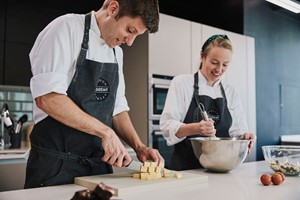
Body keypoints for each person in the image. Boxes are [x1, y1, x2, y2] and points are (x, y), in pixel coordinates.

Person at [25, 0, 164, 189]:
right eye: (130, 31)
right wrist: (105, 131)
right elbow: (48, 98)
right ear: (113, 9)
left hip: (98, 168)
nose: (130, 43)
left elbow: (117, 108)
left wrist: (139, 147)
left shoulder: (116, 53)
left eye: (136, 36)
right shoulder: (66, 28)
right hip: (55, 167)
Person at [160, 34, 256, 171]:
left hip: (221, 169)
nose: (219, 69)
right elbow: (166, 126)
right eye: (214, 62)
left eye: (225, 65)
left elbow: (238, 132)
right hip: (186, 170)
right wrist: (196, 128)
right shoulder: (182, 83)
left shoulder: (230, 92)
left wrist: (245, 136)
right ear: (202, 56)